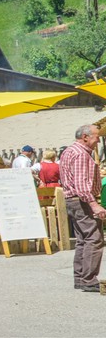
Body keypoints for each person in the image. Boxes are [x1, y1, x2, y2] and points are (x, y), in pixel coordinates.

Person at [59, 125, 104, 293]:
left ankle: (80, 277)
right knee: (94, 238)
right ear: (85, 137)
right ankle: (88, 279)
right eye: (95, 136)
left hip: (73, 200)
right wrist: (94, 204)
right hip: (81, 200)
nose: (98, 139)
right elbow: (81, 185)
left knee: (83, 239)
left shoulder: (70, 151)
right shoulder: (80, 154)